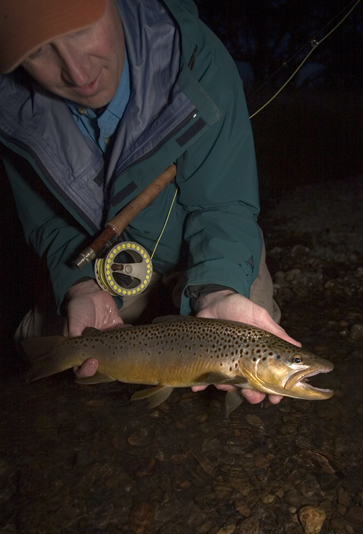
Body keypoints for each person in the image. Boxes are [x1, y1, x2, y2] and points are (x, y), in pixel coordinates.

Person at [0, 0, 300, 405]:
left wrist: (218, 290)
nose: (77, 72)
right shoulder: (11, 107)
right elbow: (46, 223)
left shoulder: (197, 61)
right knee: (37, 338)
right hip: (111, 261)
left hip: (198, 245)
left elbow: (222, 205)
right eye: (37, 51)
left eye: (81, 30)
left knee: (251, 317)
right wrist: (78, 286)